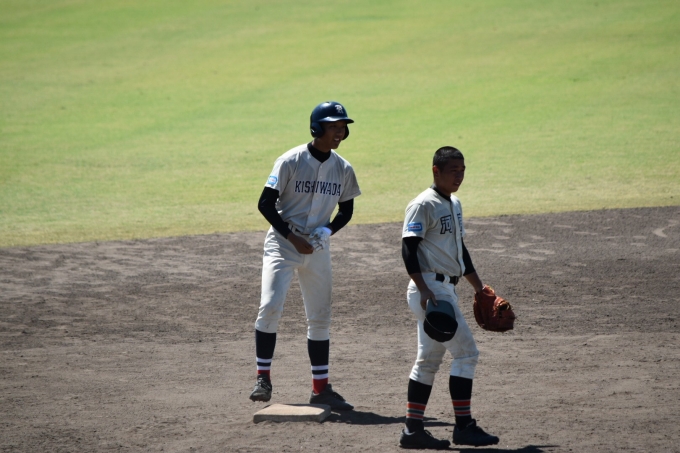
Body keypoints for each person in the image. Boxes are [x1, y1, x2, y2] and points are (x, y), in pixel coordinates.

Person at [248, 101, 361, 411]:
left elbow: (347, 210)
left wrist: (327, 231)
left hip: (317, 248)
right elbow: (265, 203)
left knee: (320, 316)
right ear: (316, 128)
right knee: (270, 306)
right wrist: (291, 237)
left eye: (342, 127)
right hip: (283, 244)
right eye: (333, 126)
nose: (339, 132)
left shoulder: (343, 168)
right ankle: (262, 379)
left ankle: (321, 389)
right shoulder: (290, 160)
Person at [398, 146, 500, 449]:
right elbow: (408, 248)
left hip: (444, 288)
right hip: (431, 290)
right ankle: (464, 426)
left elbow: (460, 251)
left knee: (428, 361)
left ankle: (412, 432)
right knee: (466, 354)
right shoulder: (422, 204)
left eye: (463, 170)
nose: (459, 176)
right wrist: (423, 288)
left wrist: (479, 288)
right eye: (453, 170)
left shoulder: (455, 203)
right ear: (436, 171)